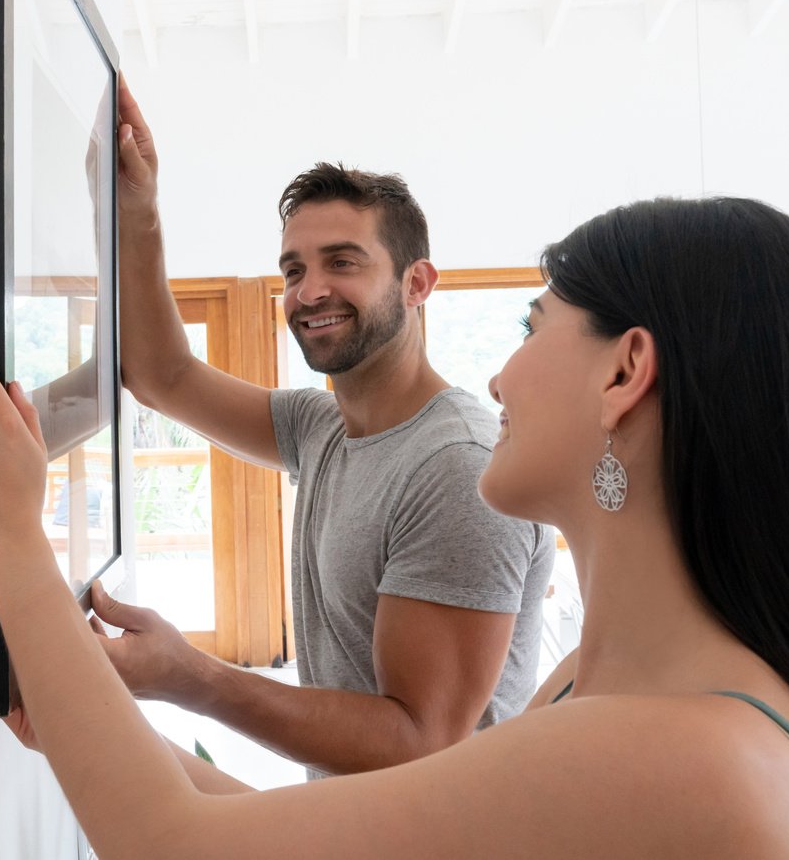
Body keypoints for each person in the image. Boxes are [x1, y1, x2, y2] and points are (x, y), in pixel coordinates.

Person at [0, 195, 789, 858]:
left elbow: (172, 848)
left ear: (624, 371)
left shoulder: (686, 756)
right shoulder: (603, 695)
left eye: (532, 323)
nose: (504, 374)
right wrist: (90, 719)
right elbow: (245, 828)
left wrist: (12, 537)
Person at [89, 83, 552, 776]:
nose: (308, 291)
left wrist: (191, 677)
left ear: (417, 283)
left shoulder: (456, 467)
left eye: (342, 261)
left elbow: (417, 739)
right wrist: (138, 211)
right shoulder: (322, 426)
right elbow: (163, 375)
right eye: (293, 269)